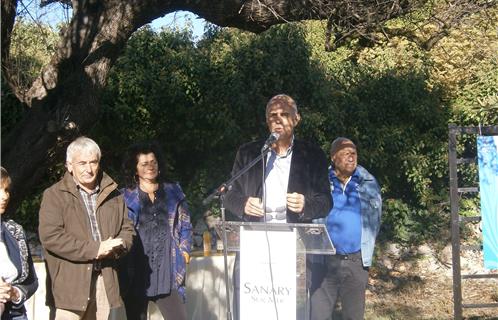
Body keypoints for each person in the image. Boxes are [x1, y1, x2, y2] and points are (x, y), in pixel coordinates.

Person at [224, 94, 332, 319]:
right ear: (266, 120)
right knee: (253, 309)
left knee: (290, 311)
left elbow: (325, 201)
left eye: (284, 114)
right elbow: (229, 194)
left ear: (296, 119)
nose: (278, 119)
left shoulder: (312, 155)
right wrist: (243, 204)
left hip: (294, 244)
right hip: (254, 243)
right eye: (273, 115)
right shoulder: (248, 153)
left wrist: (305, 205)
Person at [39, 137, 135, 320]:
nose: (89, 169)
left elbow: (127, 229)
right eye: (82, 163)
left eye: (93, 162)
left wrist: (119, 246)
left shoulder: (114, 194)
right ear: (69, 165)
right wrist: (95, 249)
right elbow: (51, 237)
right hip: (70, 285)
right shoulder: (54, 195)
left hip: (106, 280)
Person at [310, 137, 382, 320]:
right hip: (324, 262)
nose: (351, 157)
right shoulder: (320, 182)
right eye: (346, 153)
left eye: (354, 153)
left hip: (356, 262)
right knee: (319, 315)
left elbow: (375, 219)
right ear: (334, 157)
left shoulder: (367, 183)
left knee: (354, 316)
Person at [120, 141, 192, 320]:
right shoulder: (124, 197)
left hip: (168, 272)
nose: (150, 167)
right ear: (135, 169)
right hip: (136, 272)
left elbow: (186, 225)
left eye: (153, 162)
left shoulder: (173, 191)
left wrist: (184, 252)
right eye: (144, 164)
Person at [0, 167, 38, 320]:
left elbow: (31, 281)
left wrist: (14, 292)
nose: (4, 196)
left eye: (6, 190)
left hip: (14, 315)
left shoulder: (15, 231)